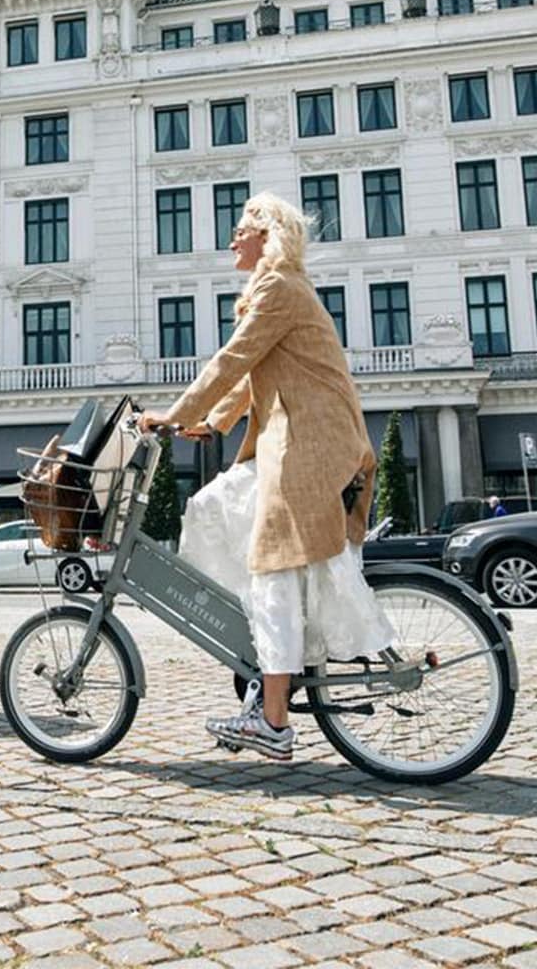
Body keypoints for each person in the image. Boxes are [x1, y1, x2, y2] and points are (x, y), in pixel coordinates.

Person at [145, 193, 394, 761]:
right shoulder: (279, 288)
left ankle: (273, 720)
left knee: (273, 566)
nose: (232, 239)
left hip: (308, 444)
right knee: (214, 506)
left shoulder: (279, 286)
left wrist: (174, 414)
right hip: (294, 439)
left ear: (267, 236)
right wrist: (212, 422)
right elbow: (251, 374)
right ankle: (258, 646)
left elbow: (232, 359)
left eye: (242, 229)